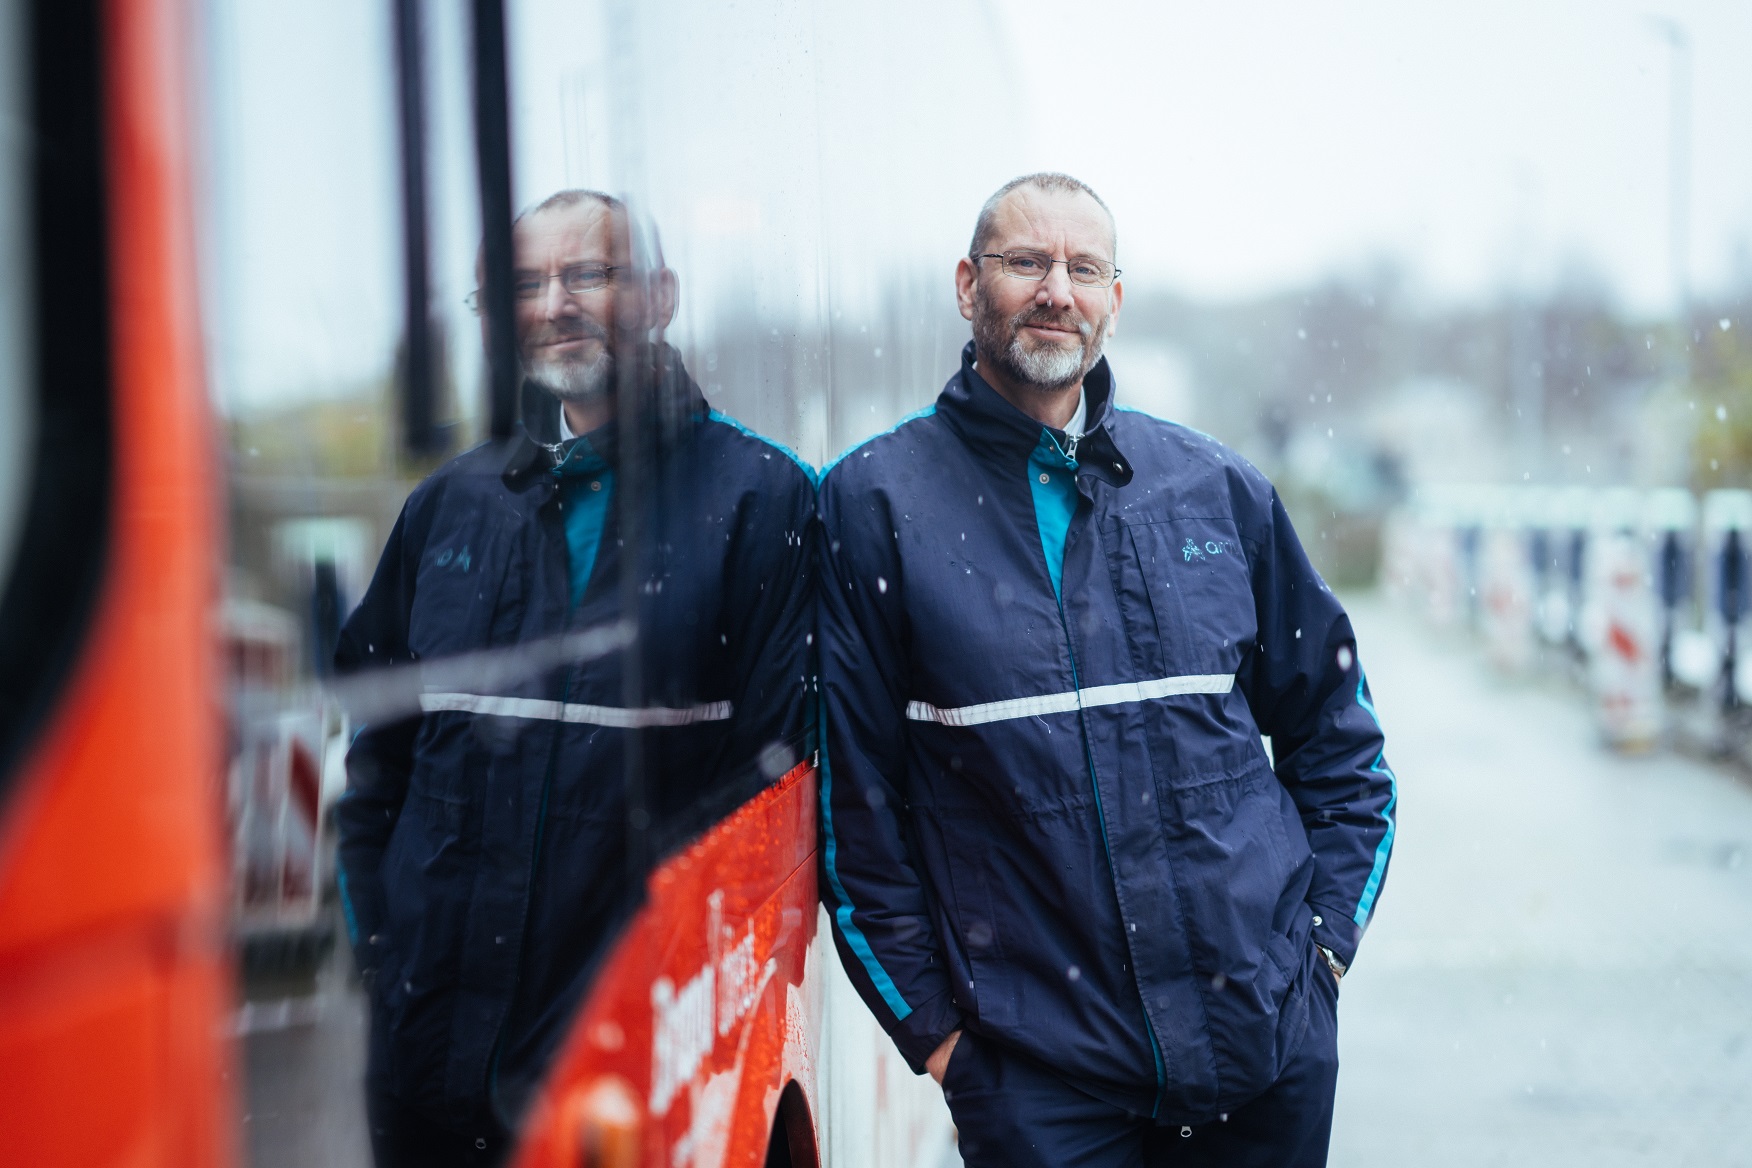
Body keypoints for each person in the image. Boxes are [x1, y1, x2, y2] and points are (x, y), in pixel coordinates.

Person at [817, 172, 1396, 1167]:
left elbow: (1339, 743)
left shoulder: (1216, 489)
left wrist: (1321, 958)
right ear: (967, 285)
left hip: (1262, 1053)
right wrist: (950, 1045)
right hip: (1038, 1082)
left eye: (1084, 267)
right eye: (1024, 262)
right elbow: (854, 817)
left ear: (1114, 301)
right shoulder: (874, 504)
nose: (1056, 289)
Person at [334, 190, 814, 1166]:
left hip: (635, 1059)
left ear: (662, 296)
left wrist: (673, 987)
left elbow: (775, 795)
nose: (555, 303)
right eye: (525, 284)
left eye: (588, 273)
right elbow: (373, 756)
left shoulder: (761, 500)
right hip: (429, 1066)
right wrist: (383, 951)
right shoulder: (449, 506)